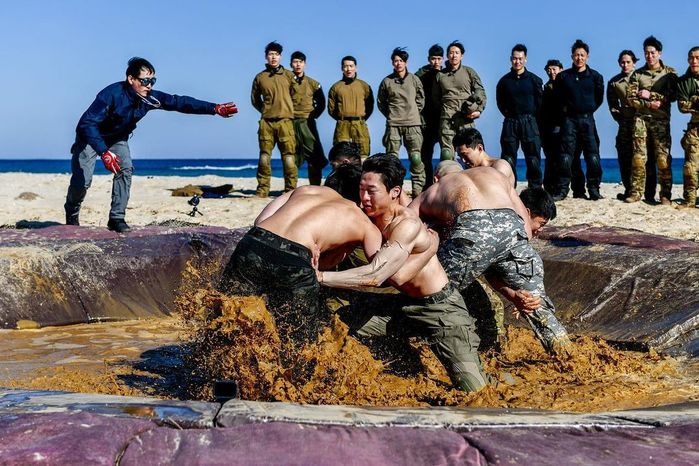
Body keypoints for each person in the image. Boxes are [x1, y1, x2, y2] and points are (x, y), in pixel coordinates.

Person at [319, 154, 488, 392]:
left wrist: (320, 277)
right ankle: (407, 365)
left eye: (371, 191)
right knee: (343, 324)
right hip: (403, 304)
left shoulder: (405, 224)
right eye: (361, 190)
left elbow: (378, 276)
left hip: (440, 308)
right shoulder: (368, 216)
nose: (364, 198)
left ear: (394, 193)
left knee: (475, 392)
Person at [410, 165, 571, 355]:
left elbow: (405, 228)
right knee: (535, 303)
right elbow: (524, 231)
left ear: (437, 178)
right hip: (513, 232)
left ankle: (410, 344)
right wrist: (514, 292)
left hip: (471, 234)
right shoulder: (494, 174)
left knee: (430, 292)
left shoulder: (434, 190)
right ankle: (566, 353)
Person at [64, 57, 237, 232]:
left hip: (117, 138)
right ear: (131, 79)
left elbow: (179, 102)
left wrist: (214, 109)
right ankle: (71, 213)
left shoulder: (149, 98)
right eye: (145, 81)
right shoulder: (111, 94)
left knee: (126, 170)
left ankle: (116, 218)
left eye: (152, 81)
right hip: (91, 137)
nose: (149, 85)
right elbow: (86, 123)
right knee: (82, 181)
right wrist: (104, 152)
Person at [218, 167, 382, 350]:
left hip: (253, 243)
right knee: (300, 343)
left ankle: (209, 372)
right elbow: (376, 272)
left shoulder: (306, 190)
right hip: (296, 259)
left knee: (225, 315)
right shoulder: (363, 222)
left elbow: (260, 221)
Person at [625, 36, 678, 205]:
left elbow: (674, 95)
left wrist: (652, 95)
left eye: (653, 53)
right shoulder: (638, 74)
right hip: (641, 120)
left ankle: (665, 195)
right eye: (646, 53)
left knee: (663, 159)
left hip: (661, 121)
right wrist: (649, 103)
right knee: (639, 158)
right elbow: (631, 98)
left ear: (659, 54)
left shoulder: (670, 73)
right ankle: (635, 193)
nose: (649, 56)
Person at [552, 39, 604, 201]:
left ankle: (594, 189)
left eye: (582, 55)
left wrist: (587, 109)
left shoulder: (595, 77)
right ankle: (562, 189)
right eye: (576, 55)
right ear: (571, 57)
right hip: (569, 121)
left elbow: (599, 98)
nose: (579, 58)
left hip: (588, 119)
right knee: (566, 157)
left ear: (587, 57)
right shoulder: (563, 77)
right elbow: (558, 98)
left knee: (593, 156)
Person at [607, 50, 658, 201]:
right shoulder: (615, 82)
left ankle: (649, 194)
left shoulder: (644, 77)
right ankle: (629, 190)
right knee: (624, 157)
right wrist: (621, 118)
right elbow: (613, 105)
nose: (625, 65)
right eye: (622, 62)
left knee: (647, 159)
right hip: (626, 124)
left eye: (628, 62)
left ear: (634, 62)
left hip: (644, 122)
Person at [251, 41, 298, 197]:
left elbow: (297, 97)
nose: (273, 57)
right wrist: (265, 110)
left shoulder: (290, 76)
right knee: (264, 156)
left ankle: (290, 190)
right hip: (267, 122)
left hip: (286, 122)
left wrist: (290, 111)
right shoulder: (260, 77)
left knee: (289, 157)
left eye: (276, 54)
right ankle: (262, 190)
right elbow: (255, 99)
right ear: (266, 57)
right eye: (270, 54)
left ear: (280, 57)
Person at [377, 48, 426, 197]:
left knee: (416, 158)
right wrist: (393, 114)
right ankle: (395, 192)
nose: (398, 63)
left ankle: (418, 192)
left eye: (401, 61)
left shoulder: (414, 79)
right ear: (392, 62)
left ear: (406, 62)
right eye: (396, 61)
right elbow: (381, 103)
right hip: (393, 125)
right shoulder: (387, 81)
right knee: (392, 160)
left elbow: (420, 100)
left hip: (413, 124)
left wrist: (412, 112)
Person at [496, 44, 544, 188]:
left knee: (533, 157)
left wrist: (530, 116)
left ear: (526, 59)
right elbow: (500, 102)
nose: (517, 62)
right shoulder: (504, 82)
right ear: (511, 59)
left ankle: (535, 188)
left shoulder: (535, 80)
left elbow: (540, 102)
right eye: (515, 59)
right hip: (510, 121)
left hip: (529, 121)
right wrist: (510, 115)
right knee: (508, 157)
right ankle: (510, 187)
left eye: (520, 59)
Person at [434, 41, 487, 161]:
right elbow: (435, 99)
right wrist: (444, 111)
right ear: (447, 55)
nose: (454, 55)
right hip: (447, 120)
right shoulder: (440, 75)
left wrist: (479, 110)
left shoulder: (469, 72)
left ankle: (473, 179)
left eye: (457, 53)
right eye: (451, 53)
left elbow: (481, 92)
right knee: (447, 155)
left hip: (466, 119)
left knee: (471, 153)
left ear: (462, 55)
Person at [289, 51, 327, 186]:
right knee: (291, 156)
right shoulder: (286, 82)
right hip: (290, 123)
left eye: (300, 62)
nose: (298, 65)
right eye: (295, 62)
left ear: (305, 64)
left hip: (307, 123)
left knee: (314, 156)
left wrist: (313, 116)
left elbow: (322, 103)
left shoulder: (313, 83)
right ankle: (290, 189)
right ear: (291, 64)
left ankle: (315, 186)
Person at [327, 56, 374, 158]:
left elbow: (370, 105)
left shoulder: (364, 86)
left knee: (363, 153)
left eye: (351, 66)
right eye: (345, 66)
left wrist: (361, 118)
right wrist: (342, 118)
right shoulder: (335, 87)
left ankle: (362, 173)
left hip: (360, 124)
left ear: (355, 67)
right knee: (340, 154)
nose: (348, 69)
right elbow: (331, 109)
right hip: (342, 125)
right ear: (342, 68)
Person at [415, 44, 444, 191]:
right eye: (433, 59)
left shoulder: (446, 73)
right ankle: (427, 186)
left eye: (439, 58)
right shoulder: (420, 75)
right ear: (429, 59)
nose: (436, 62)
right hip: (425, 121)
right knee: (425, 155)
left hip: (444, 120)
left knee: (447, 154)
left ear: (443, 59)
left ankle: (445, 185)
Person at [677, 46, 699, 208]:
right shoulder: (685, 81)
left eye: (697, 58)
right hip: (695, 129)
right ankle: (690, 200)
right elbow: (682, 106)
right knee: (690, 167)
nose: (694, 61)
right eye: (691, 58)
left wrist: (693, 100)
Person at [540, 59, 565, 195]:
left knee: (563, 159)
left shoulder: (566, 84)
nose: (551, 72)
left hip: (565, 126)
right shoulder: (546, 87)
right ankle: (549, 187)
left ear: (561, 69)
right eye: (549, 70)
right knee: (550, 158)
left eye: (554, 69)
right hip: (548, 128)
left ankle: (563, 187)